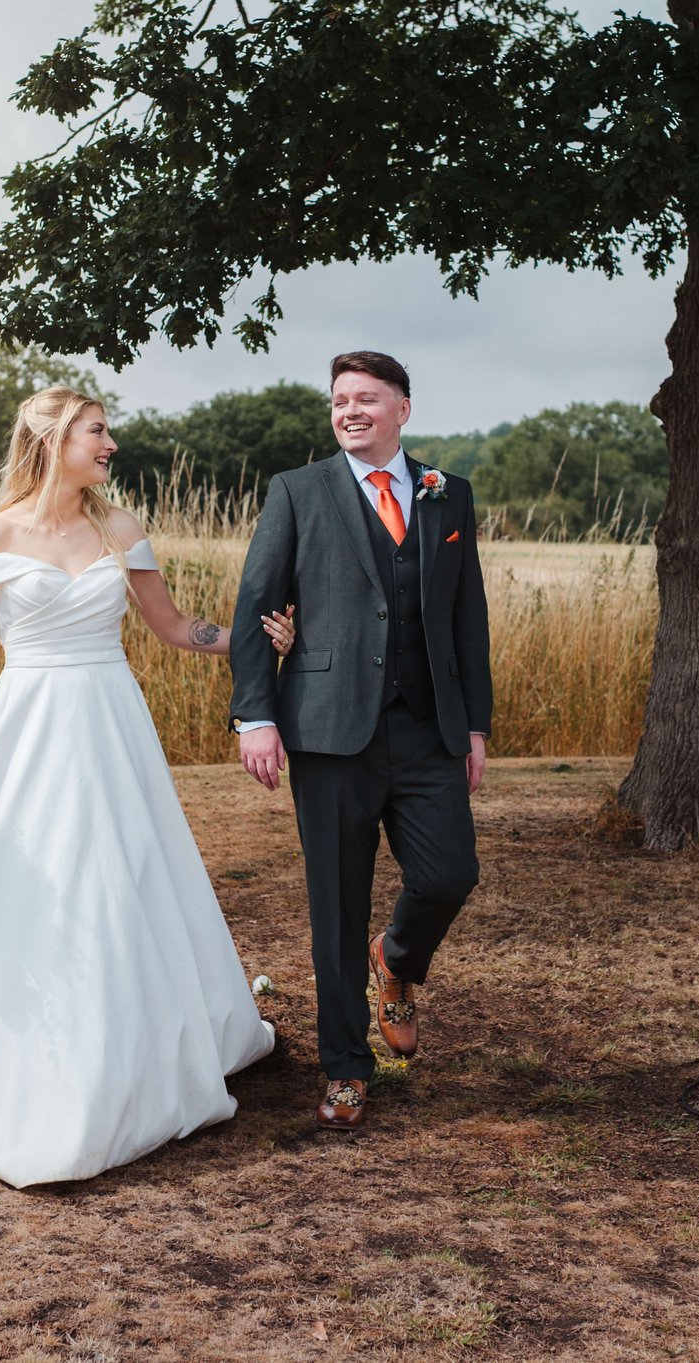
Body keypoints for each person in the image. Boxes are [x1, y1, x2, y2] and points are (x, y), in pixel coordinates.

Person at [0, 386, 294, 1187]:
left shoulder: (120, 529)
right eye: (97, 430)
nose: (110, 443)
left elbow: (172, 625)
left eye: (108, 431)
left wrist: (256, 640)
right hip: (27, 724)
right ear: (52, 438)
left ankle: (126, 1041)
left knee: (119, 873)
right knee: (15, 874)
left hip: (110, 721)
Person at [229, 350, 493, 1131]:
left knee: (450, 872)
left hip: (427, 728)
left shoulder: (450, 496)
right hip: (327, 729)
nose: (349, 411)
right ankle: (346, 1067)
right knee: (335, 907)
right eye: (340, 399)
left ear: (402, 410)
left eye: (367, 399)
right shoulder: (297, 492)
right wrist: (257, 713)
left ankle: (399, 959)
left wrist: (475, 724)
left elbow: (466, 617)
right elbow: (255, 607)